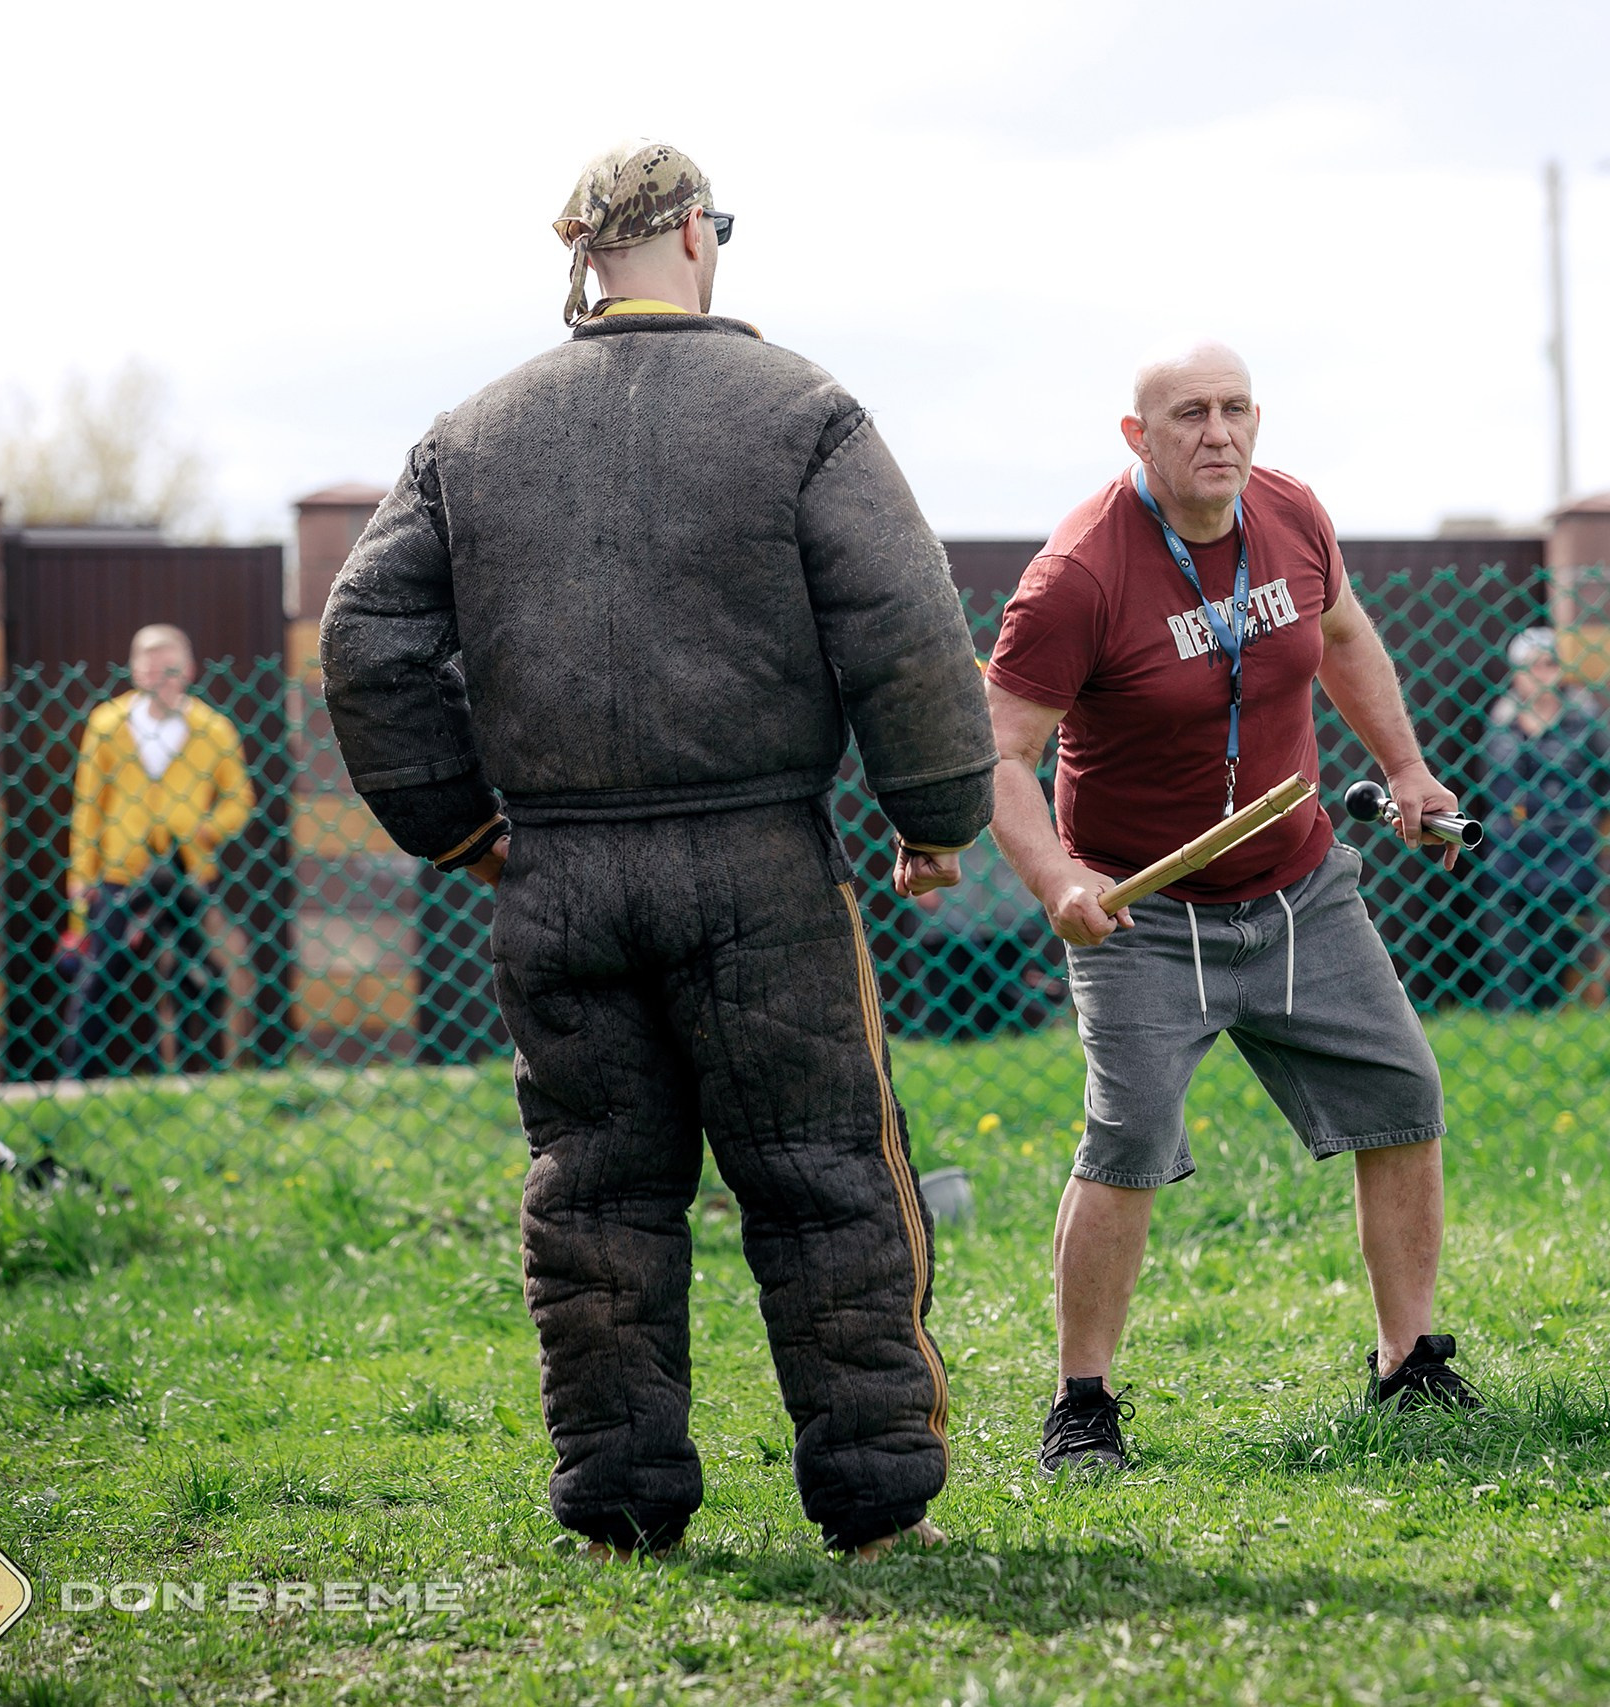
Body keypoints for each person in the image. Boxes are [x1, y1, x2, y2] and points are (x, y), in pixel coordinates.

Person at [319, 140, 994, 1561]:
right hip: (760, 866)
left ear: (587, 251)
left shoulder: (469, 434)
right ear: (696, 234)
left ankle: (623, 1506)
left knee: (599, 1193)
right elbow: (908, 621)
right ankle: (874, 1508)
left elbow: (364, 640)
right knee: (822, 1174)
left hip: (555, 876)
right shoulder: (798, 409)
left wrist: (459, 824)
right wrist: (935, 814)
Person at [984, 342, 1480, 1473]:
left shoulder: (1294, 514)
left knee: (1402, 1094)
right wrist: (1059, 880)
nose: (1218, 433)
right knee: (1129, 1140)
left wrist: (1405, 771)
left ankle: (1406, 1364)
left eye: (1235, 410)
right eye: (1189, 414)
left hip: (1299, 881)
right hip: (1143, 913)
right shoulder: (1077, 578)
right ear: (1137, 436)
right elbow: (998, 755)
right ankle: (1083, 1404)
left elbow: (1341, 637)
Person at [65, 623, 253, 1077]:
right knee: (102, 971)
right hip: (121, 867)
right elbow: (88, 803)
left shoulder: (212, 728)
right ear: (134, 671)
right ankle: (78, 1074)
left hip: (187, 866)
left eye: (168, 668)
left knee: (196, 970)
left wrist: (206, 829)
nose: (158, 678)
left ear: (187, 670)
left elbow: (239, 800)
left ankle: (200, 1070)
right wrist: (80, 872)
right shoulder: (107, 725)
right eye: (148, 668)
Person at [1478, 627, 1610, 1007]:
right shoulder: (1500, 723)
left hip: (1567, 858)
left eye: (1549, 664)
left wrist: (1582, 817)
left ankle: (1547, 1028)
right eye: (1531, 666)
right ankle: (1508, 1031)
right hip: (1509, 859)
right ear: (1515, 673)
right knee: (1508, 956)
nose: (1541, 674)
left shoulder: (1584, 721)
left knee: (1555, 955)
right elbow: (1486, 784)